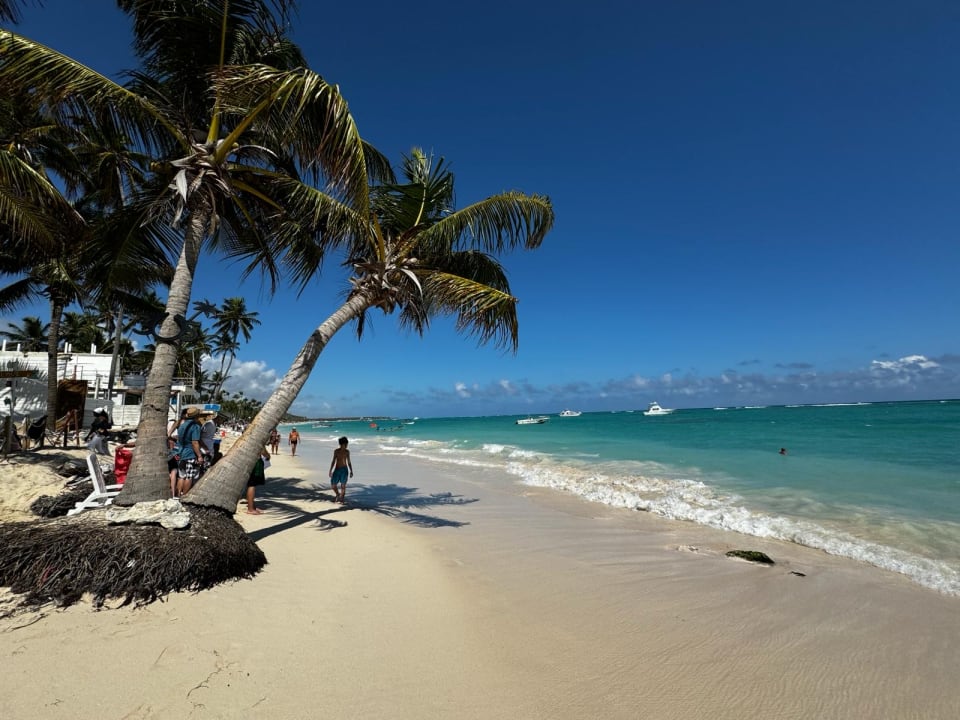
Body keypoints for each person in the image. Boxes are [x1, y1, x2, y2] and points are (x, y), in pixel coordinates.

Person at [175, 407, 204, 497]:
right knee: (189, 476)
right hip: (190, 454)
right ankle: (185, 496)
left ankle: (178, 495)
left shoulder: (182, 425)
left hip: (181, 452)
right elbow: (195, 442)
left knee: (181, 476)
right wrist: (199, 456)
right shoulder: (195, 426)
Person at [245, 447, 271, 514]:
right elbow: (262, 451)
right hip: (255, 463)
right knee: (252, 485)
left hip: (250, 462)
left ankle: (252, 506)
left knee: (251, 485)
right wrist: (268, 455)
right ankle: (250, 509)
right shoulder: (257, 440)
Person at [328, 436, 353, 504]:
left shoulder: (347, 452)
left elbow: (349, 462)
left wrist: (351, 471)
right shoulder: (336, 451)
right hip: (337, 469)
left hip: (344, 470)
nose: (347, 445)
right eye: (346, 444)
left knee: (343, 486)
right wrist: (330, 470)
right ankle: (338, 494)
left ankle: (342, 499)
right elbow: (333, 461)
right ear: (343, 444)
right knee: (333, 485)